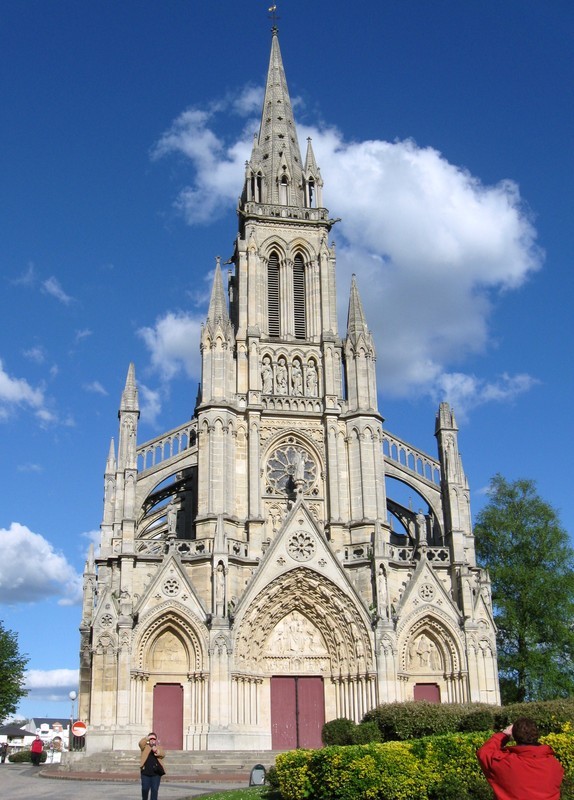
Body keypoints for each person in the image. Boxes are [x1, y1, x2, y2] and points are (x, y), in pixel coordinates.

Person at [476, 717, 564, 800]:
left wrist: (504, 735)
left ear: (514, 736)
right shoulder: (554, 765)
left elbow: (484, 752)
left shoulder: (504, 763)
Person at [139, 732, 166, 800]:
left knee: (154, 790)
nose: (152, 740)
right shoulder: (145, 747)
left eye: (154, 739)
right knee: (145, 789)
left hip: (156, 773)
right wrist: (147, 738)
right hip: (145, 772)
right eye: (151, 739)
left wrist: (156, 751)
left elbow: (163, 754)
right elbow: (140, 744)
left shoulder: (158, 747)